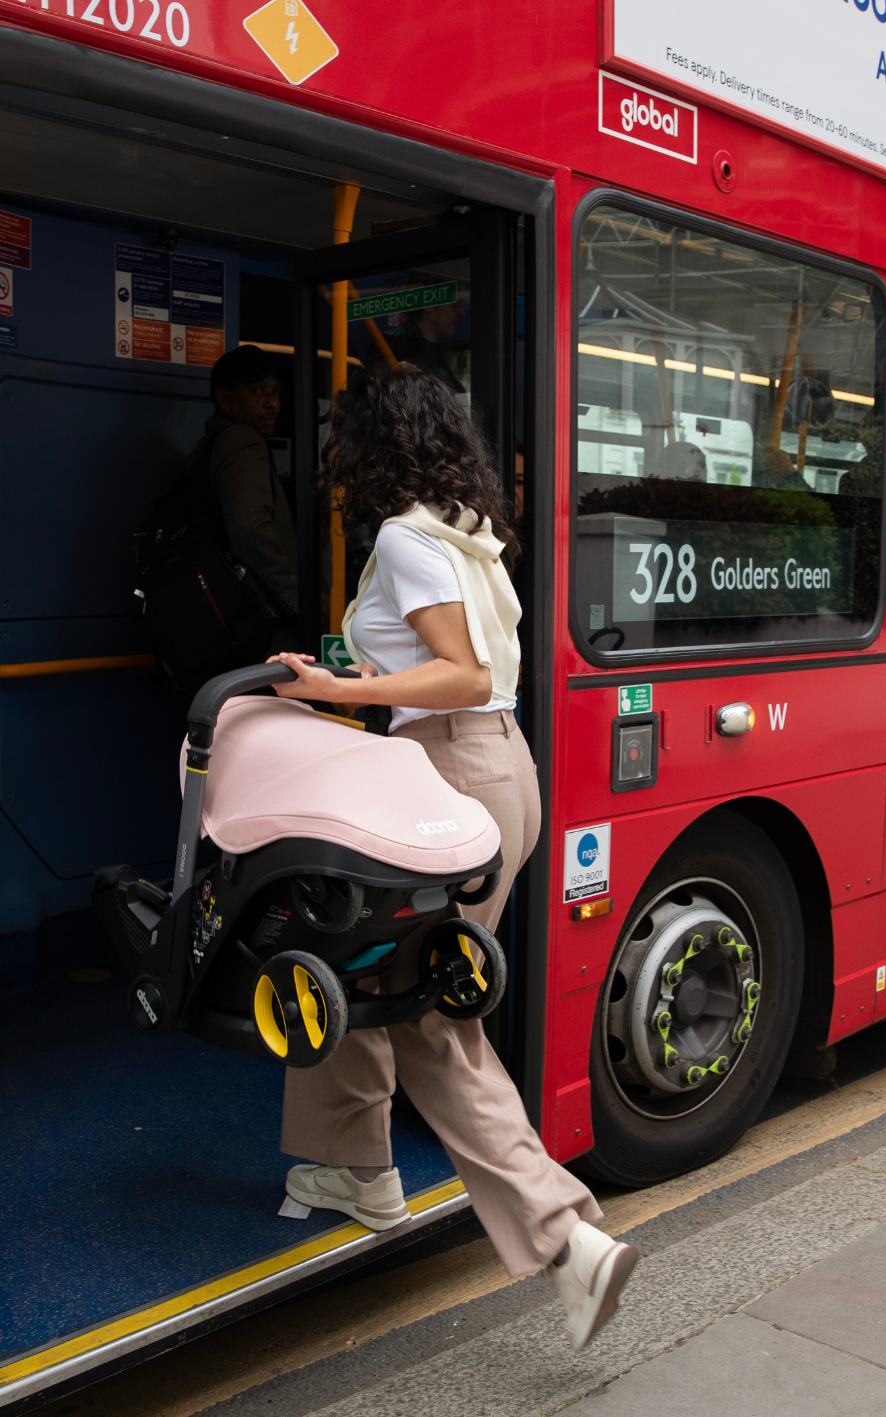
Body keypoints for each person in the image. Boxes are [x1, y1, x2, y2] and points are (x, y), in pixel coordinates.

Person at [269, 363, 638, 1352]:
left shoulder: (404, 536)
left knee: (428, 1014)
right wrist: (367, 673)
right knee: (358, 962)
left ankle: (566, 1240)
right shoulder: (466, 532)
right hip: (496, 769)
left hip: (447, 772)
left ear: (378, 443)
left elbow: (462, 673)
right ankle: (354, 1164)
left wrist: (334, 690)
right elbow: (458, 664)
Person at [192, 344, 299, 632]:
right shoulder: (241, 441)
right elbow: (250, 529)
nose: (272, 403)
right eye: (257, 391)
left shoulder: (214, 443)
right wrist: (297, 598)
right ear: (225, 400)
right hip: (258, 617)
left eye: (275, 392)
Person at [391, 298, 466, 393]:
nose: (461, 313)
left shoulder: (439, 354)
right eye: (454, 306)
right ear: (429, 306)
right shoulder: (400, 353)